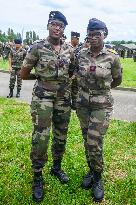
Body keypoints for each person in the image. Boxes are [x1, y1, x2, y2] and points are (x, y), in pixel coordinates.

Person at [20, 11, 74, 202]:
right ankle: (37, 175)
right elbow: (24, 73)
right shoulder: (37, 47)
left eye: (61, 25)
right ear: (48, 25)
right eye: (54, 24)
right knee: (41, 137)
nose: (57, 28)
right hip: (43, 96)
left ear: (64, 28)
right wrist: (42, 79)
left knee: (61, 134)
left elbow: (71, 72)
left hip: (63, 98)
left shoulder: (69, 49)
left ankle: (56, 167)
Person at [74, 18, 122, 202]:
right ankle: (91, 170)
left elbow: (117, 80)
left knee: (95, 141)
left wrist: (101, 91)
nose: (93, 38)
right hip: (83, 104)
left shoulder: (112, 56)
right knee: (86, 139)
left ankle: (98, 178)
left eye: (97, 34)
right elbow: (76, 75)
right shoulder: (81, 55)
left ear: (105, 35)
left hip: (102, 105)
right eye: (90, 34)